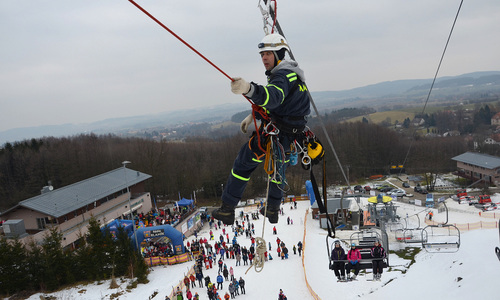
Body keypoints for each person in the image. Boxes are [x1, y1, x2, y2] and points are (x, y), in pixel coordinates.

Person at [213, 33, 310, 225]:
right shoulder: (293, 75)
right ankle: (273, 208)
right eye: (262, 54)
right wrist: (255, 116)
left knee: (243, 163)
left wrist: (249, 89)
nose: (264, 58)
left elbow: (273, 97)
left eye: (268, 53)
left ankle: (227, 208)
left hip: (279, 134)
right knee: (278, 169)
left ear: (280, 54)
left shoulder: (282, 76)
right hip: (290, 135)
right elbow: (281, 104)